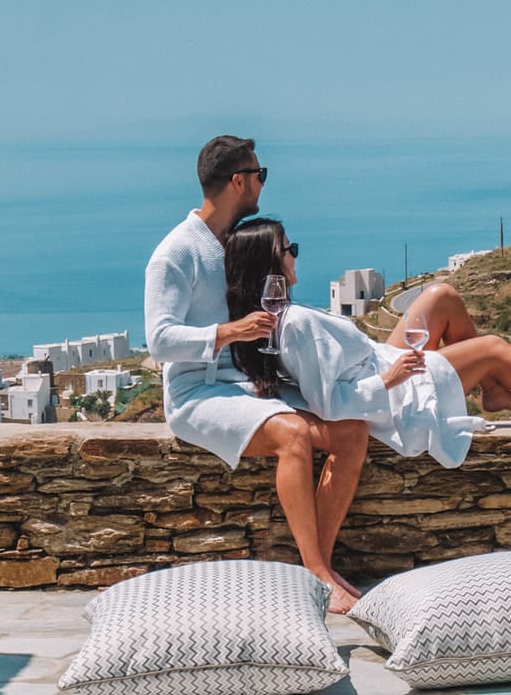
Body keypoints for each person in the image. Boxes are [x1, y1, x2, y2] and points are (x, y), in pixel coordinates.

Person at [144, 135, 369, 611]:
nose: (264, 183)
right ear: (238, 181)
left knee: (351, 432)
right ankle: (316, 573)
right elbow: (159, 341)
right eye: (260, 174)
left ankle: (322, 565)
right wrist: (233, 331)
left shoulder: (233, 241)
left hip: (246, 381)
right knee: (293, 435)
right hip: (197, 391)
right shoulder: (176, 253)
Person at [222, 217, 511, 460]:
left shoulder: (276, 316)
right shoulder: (294, 323)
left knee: (442, 297)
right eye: (289, 248)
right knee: (492, 348)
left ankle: (492, 389)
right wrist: (389, 379)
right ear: (270, 262)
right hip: (395, 390)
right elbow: (329, 404)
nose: (295, 254)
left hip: (379, 360)